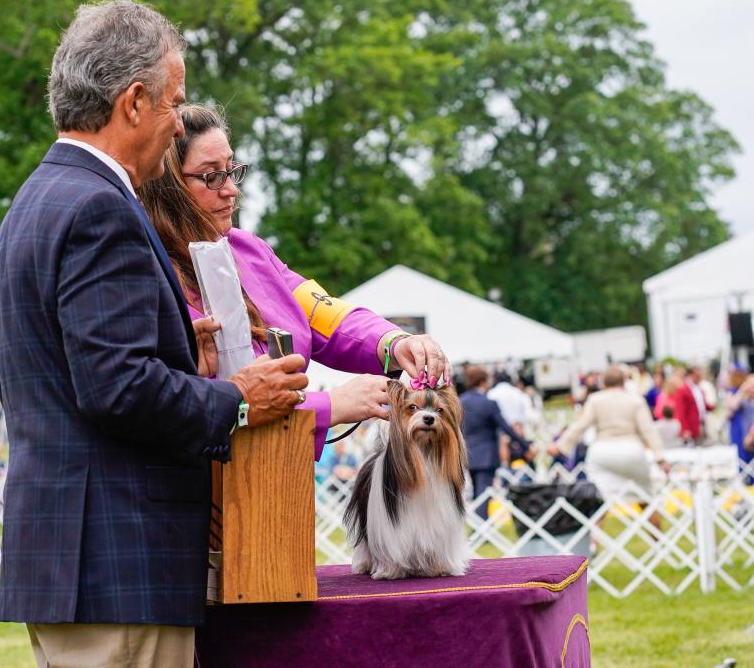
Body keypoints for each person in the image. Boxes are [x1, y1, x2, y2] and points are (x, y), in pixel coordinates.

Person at [0, 0, 309, 668]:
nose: (175, 123)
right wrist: (239, 397)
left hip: (71, 565)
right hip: (119, 566)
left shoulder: (36, 202)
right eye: (173, 101)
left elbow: (75, 374)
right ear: (134, 101)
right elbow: (118, 389)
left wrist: (181, 358)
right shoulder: (103, 208)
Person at [138, 103, 452, 456]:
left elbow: (324, 314)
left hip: (282, 478)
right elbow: (198, 401)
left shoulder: (250, 250)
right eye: (211, 176)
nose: (231, 190)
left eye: (231, 171)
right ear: (169, 186)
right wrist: (329, 406)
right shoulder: (146, 269)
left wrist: (393, 343)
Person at [548, 365, 669, 533]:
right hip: (631, 451)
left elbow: (580, 426)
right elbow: (648, 430)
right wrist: (660, 457)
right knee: (645, 499)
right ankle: (659, 542)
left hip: (602, 453)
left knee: (599, 503)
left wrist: (560, 447)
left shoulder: (595, 400)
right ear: (624, 382)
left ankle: (593, 545)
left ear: (603, 383)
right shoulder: (636, 400)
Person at [460, 366, 536, 520]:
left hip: (466, 453)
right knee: (484, 492)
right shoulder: (488, 403)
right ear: (482, 381)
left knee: (476, 491)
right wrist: (526, 445)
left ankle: (479, 525)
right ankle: (481, 528)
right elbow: (506, 428)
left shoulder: (460, 401)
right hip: (487, 454)